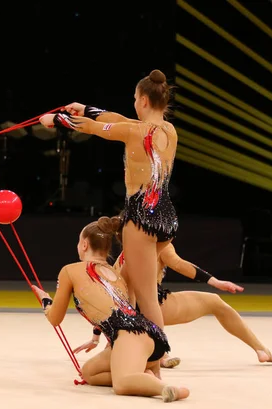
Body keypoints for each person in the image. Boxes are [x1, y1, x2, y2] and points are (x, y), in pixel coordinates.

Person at [40, 69, 177, 337]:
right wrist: (87, 109)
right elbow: (119, 121)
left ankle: (156, 358)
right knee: (128, 286)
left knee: (147, 297)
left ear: (144, 101)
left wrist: (56, 120)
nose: (135, 103)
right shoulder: (168, 129)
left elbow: (92, 129)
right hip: (165, 217)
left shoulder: (135, 132)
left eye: (136, 98)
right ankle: (125, 345)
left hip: (141, 219)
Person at [32, 216, 189, 403]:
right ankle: (142, 373)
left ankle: (165, 388)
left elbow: (55, 319)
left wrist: (46, 301)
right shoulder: (118, 274)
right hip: (149, 336)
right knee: (90, 373)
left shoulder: (70, 270)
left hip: (130, 335)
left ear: (84, 244)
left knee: (122, 384)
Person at [75, 238, 272, 367]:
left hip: (124, 311)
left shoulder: (127, 249)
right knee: (215, 302)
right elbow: (179, 264)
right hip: (152, 304)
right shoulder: (155, 243)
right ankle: (261, 349)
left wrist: (96, 336)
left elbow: (112, 298)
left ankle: (147, 354)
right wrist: (215, 281)